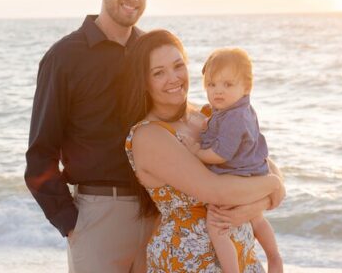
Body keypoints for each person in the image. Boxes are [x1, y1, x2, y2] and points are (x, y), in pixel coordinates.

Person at [24, 0, 155, 273]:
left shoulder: (150, 52)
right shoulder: (64, 57)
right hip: (97, 218)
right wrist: (71, 223)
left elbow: (177, 126)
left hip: (156, 215)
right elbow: (40, 153)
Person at [120, 29, 286, 272]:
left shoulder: (210, 115)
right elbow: (216, 191)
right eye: (159, 73)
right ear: (144, 82)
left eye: (178, 66)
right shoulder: (149, 135)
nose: (174, 78)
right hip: (189, 261)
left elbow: (259, 162)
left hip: (241, 253)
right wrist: (273, 186)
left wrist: (256, 204)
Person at [180, 48, 283, 273]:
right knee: (256, 218)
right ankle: (274, 257)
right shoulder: (238, 109)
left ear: (246, 87)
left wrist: (197, 151)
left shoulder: (233, 117)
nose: (218, 91)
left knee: (216, 225)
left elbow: (221, 154)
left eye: (227, 85)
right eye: (211, 84)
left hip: (237, 176)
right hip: (254, 172)